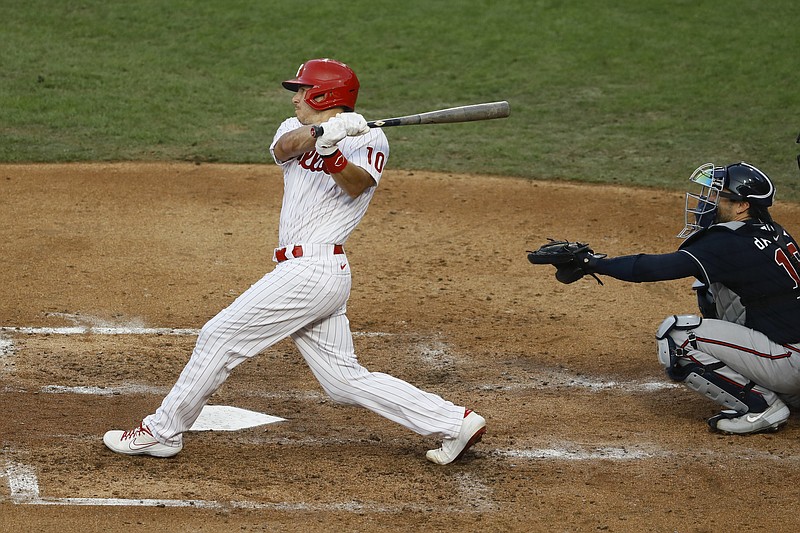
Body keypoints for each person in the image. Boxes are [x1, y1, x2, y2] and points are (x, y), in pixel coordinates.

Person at [103, 58, 486, 464]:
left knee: (218, 337)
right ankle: (453, 422)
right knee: (343, 381)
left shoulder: (372, 140)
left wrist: (334, 154)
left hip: (315, 269)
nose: (296, 97)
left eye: (303, 91)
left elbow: (356, 186)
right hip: (308, 273)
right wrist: (323, 132)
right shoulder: (293, 128)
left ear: (325, 95)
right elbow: (285, 148)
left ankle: (162, 432)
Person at [531, 162, 800, 434]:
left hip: (789, 361)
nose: (707, 201)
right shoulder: (773, 231)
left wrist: (591, 262)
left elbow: (651, 269)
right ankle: (787, 390)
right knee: (710, 288)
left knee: (677, 336)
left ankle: (763, 406)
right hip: (794, 357)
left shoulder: (729, 242)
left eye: (716, 194)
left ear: (742, 205)